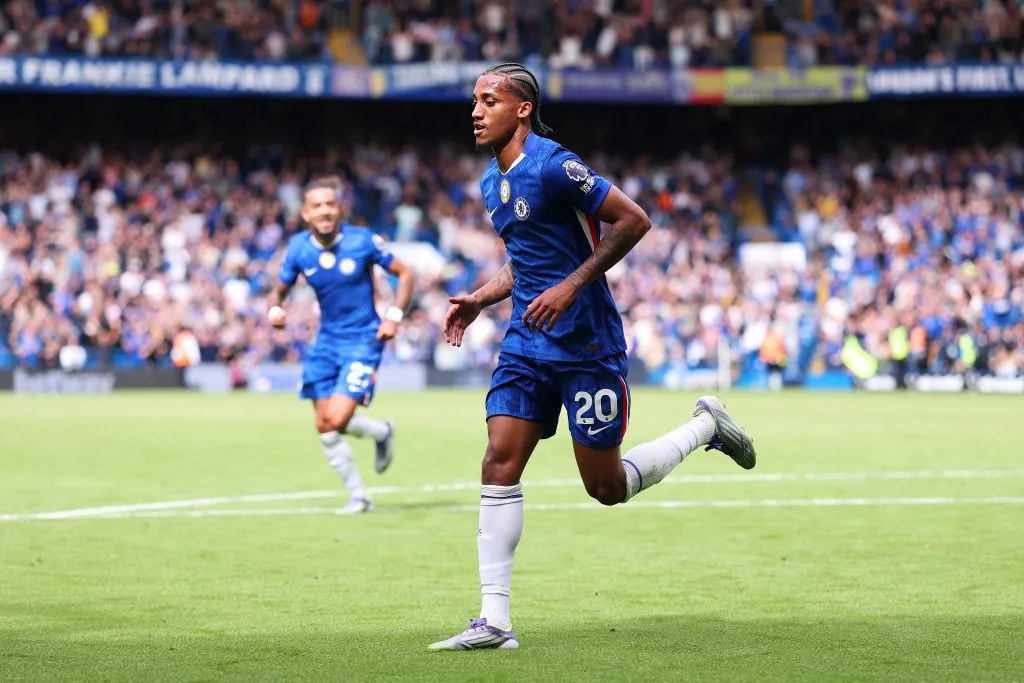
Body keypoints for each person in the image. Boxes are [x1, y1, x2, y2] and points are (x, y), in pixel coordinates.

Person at [429, 63, 757, 651]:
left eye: (488, 100)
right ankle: (494, 622)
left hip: (586, 343)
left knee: (605, 488)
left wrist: (572, 285)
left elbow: (634, 220)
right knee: (498, 461)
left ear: (521, 108)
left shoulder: (555, 165)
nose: (475, 111)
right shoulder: (490, 181)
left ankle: (705, 427)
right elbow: (529, 259)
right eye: (473, 101)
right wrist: (481, 297)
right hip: (527, 342)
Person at [267, 176, 414, 514]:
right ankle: (363, 485)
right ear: (305, 214)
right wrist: (275, 308)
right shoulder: (299, 248)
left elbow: (405, 273)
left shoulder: (362, 241)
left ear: (339, 209)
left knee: (335, 419)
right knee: (325, 425)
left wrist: (393, 316)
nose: (325, 211)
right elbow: (279, 288)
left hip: (364, 341)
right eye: (317, 206)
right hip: (326, 343)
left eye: (331, 204)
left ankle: (373, 452)